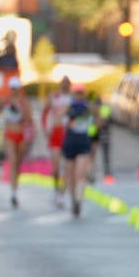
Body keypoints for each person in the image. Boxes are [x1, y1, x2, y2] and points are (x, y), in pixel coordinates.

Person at [61, 87, 95, 217]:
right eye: (77, 93)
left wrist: (92, 135)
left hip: (83, 142)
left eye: (81, 94)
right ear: (73, 94)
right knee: (70, 176)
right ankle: (73, 199)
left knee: (80, 174)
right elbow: (58, 118)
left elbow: (98, 122)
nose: (79, 96)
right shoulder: (69, 107)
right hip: (70, 142)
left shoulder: (88, 107)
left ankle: (78, 200)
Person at [0, 77, 34, 208]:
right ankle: (13, 193)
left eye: (16, 88)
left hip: (21, 134)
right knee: (13, 161)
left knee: (18, 164)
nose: (14, 91)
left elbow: (29, 119)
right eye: (12, 88)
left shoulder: (24, 102)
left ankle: (15, 189)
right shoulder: (6, 101)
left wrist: (20, 111)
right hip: (9, 134)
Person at [42, 76, 73, 207]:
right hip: (55, 133)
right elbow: (44, 113)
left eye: (67, 83)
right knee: (55, 167)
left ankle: (61, 194)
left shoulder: (72, 99)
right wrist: (45, 129)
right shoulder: (54, 96)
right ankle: (56, 190)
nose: (65, 85)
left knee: (67, 167)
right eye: (63, 83)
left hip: (67, 134)